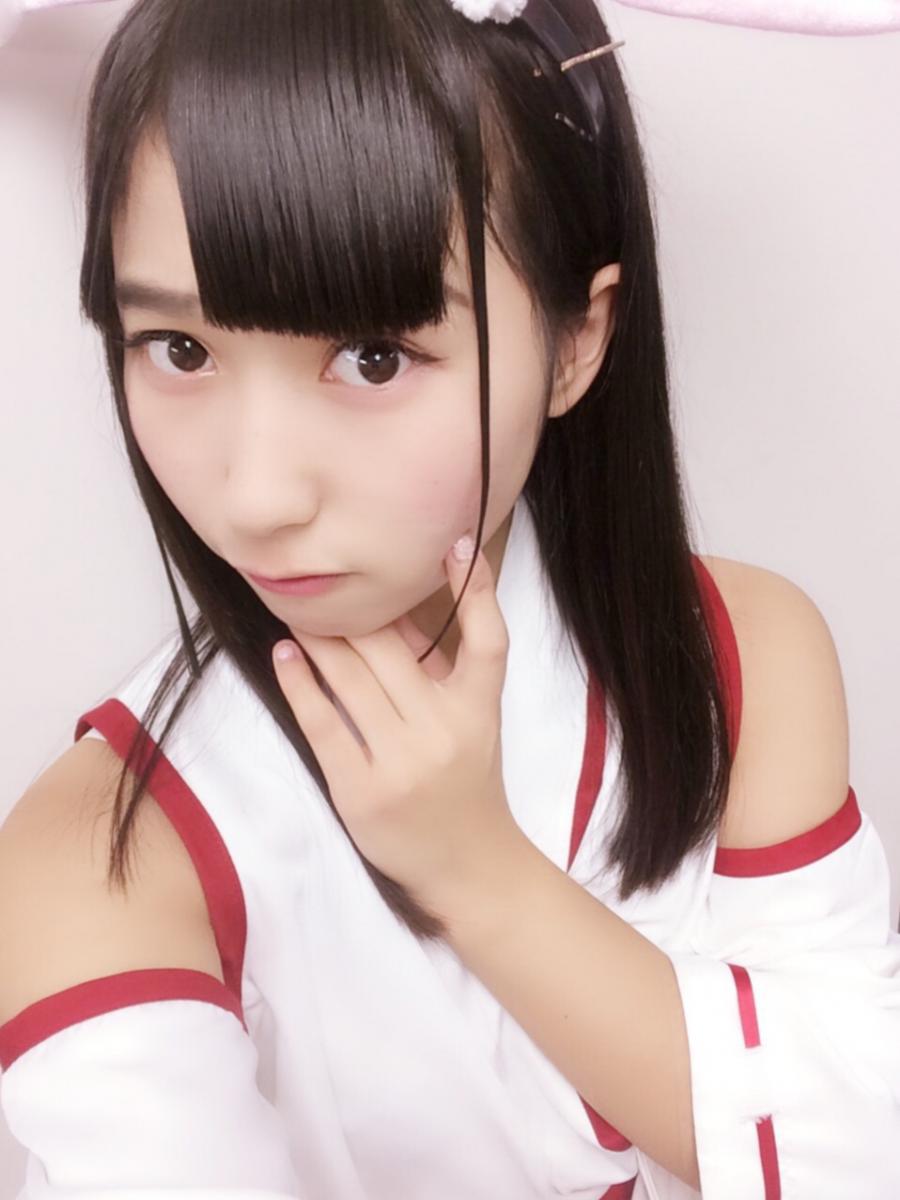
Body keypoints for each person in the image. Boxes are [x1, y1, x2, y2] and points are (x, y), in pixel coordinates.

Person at [1, 1, 898, 1197]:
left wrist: (476, 870)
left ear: (576, 340)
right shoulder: (106, 849)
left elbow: (864, 1155)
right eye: (179, 349)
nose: (257, 494)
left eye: (373, 356)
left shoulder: (736, 656)